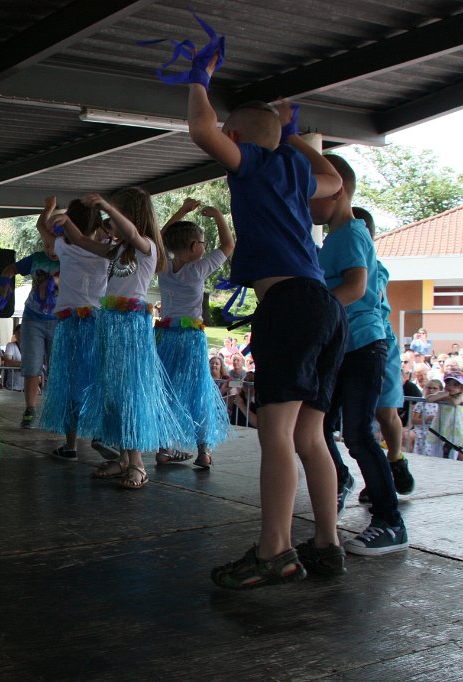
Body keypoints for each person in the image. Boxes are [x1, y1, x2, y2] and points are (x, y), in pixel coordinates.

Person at [186, 51, 347, 587]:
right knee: (311, 436)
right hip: (324, 307)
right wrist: (294, 134)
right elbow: (333, 180)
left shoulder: (252, 165)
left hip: (290, 306)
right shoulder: (296, 172)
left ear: (238, 134)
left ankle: (275, 550)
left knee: (274, 433)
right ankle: (327, 544)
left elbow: (200, 129)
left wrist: (198, 78)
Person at [58, 189, 196, 489]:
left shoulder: (146, 247)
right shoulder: (119, 251)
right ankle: (122, 458)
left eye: (114, 214)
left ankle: (137, 464)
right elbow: (82, 241)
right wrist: (64, 221)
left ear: (130, 216)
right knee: (114, 393)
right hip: (109, 324)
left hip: (131, 328)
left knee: (129, 392)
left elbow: (133, 232)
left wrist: (106, 203)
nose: (109, 220)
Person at [312, 154, 407, 556]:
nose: (306, 202)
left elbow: (353, 287)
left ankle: (390, 520)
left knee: (357, 434)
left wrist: (312, 313)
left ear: (337, 191)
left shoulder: (351, 234)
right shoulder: (334, 239)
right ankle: (340, 479)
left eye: (311, 193)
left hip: (363, 346)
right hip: (343, 345)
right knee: (319, 427)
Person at [156, 198, 235, 467]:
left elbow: (160, 239)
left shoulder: (164, 267)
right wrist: (219, 217)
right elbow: (228, 246)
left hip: (165, 338)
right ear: (193, 247)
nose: (205, 246)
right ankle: (203, 451)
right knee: (197, 391)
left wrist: (180, 212)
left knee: (167, 390)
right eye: (202, 242)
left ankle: (164, 447)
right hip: (190, 339)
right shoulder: (197, 269)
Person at [34, 197, 108, 461]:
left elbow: (41, 225)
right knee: (98, 380)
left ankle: (71, 445)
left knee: (70, 383)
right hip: (98, 323)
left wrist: (49, 208)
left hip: (70, 323)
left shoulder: (64, 247)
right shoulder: (106, 248)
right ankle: (101, 433)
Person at [353, 206, 415, 504]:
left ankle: (396, 458)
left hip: (379, 344)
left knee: (385, 411)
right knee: (360, 424)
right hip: (353, 342)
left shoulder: (374, 267)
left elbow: (370, 294)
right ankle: (375, 477)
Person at [0, 245, 60, 427]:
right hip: (33, 318)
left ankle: (55, 410)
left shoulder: (70, 259)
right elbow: (9, 270)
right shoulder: (36, 258)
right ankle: (30, 409)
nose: (52, 250)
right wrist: (4, 284)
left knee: (56, 367)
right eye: (49, 244)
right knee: (31, 364)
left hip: (59, 319)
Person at [427, 373, 463, 460]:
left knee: (452, 454)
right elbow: (429, 399)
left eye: (455, 385)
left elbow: (455, 402)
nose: (451, 387)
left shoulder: (462, 395)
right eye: (448, 384)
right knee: (437, 454)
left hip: (455, 430)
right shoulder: (442, 394)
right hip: (441, 427)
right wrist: (443, 395)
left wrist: (447, 398)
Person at [1, 325, 24, 391]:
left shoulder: (31, 347)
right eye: (19, 332)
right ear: (15, 334)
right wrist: (24, 364)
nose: (21, 334)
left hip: (27, 386)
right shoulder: (11, 346)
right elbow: (8, 362)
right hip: (13, 386)